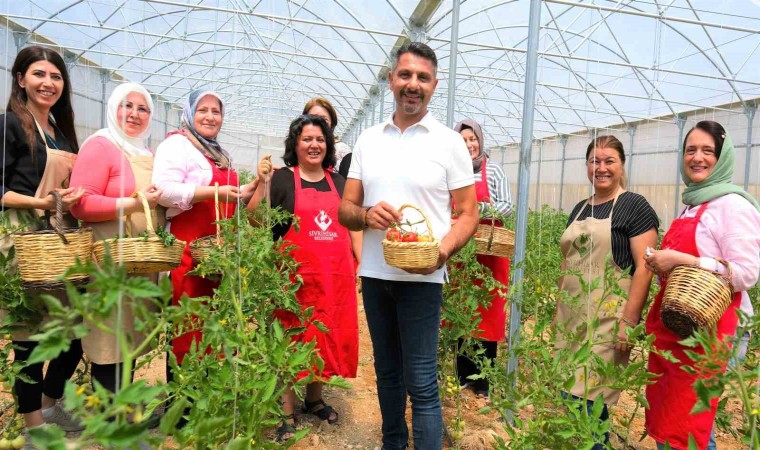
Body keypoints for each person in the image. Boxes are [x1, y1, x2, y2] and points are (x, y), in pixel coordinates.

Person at [338, 42, 479, 450]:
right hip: (376, 275)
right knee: (387, 373)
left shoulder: (449, 142)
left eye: (422, 78)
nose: (412, 85)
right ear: (391, 81)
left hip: (423, 278)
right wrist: (365, 216)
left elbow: (468, 213)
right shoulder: (369, 140)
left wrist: (442, 251)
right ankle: (393, 442)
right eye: (405, 75)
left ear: (434, 85)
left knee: (420, 379)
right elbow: (346, 208)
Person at [644, 120, 760, 450]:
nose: (698, 157)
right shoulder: (693, 202)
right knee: (671, 420)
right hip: (682, 327)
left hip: (715, 333)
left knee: (692, 425)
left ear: (722, 158)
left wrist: (684, 261)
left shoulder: (732, 205)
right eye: (691, 150)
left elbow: (747, 272)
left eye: (708, 151)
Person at [248, 114, 360, 442]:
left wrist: (363, 266)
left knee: (322, 337)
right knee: (289, 338)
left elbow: (354, 228)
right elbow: (255, 219)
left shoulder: (339, 183)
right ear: (295, 144)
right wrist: (263, 182)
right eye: (307, 139)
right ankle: (285, 412)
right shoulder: (283, 179)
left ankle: (313, 400)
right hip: (290, 281)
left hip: (331, 278)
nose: (314, 145)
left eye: (320, 140)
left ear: (328, 146)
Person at [0, 45, 85, 435]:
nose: (48, 83)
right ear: (20, 80)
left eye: (55, 76)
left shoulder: (62, 133)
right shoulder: (11, 126)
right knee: (31, 337)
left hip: (60, 239)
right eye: (38, 74)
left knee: (73, 333)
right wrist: (41, 201)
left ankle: (51, 405)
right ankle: (34, 426)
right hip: (23, 241)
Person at [555, 135, 658, 448]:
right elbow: (566, 263)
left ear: (622, 165)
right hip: (571, 318)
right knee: (567, 396)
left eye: (608, 161)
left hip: (606, 321)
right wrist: (555, 315)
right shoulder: (579, 207)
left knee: (590, 403)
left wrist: (629, 321)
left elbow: (645, 266)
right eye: (594, 161)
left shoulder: (633, 206)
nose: (601, 168)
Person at [69, 83, 163, 393]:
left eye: (143, 108)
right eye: (127, 106)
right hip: (109, 256)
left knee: (130, 334)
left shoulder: (145, 151)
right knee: (109, 335)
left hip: (139, 259)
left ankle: (120, 407)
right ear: (113, 108)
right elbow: (82, 204)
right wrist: (134, 204)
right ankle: (109, 417)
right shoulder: (100, 145)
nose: (135, 114)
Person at [153, 88, 256, 370]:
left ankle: (209, 405)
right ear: (189, 113)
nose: (210, 117)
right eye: (203, 110)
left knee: (215, 326)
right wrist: (212, 193)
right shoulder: (177, 145)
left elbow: (231, 196)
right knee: (189, 329)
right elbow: (163, 191)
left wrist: (255, 184)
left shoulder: (217, 151)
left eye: (216, 111)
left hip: (216, 254)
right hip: (188, 252)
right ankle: (183, 410)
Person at [452, 119, 513, 398]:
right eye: (463, 140)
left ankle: (483, 381)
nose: (469, 145)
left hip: (490, 252)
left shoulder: (494, 171)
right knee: (461, 313)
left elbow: (507, 206)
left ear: (480, 141)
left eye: (472, 139)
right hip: (462, 253)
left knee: (488, 316)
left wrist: (478, 208)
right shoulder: (452, 173)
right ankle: (463, 376)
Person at [302, 97, 351, 169]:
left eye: (324, 120)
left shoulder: (341, 150)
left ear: (332, 124)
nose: (319, 124)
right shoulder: (301, 148)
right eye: (312, 119)